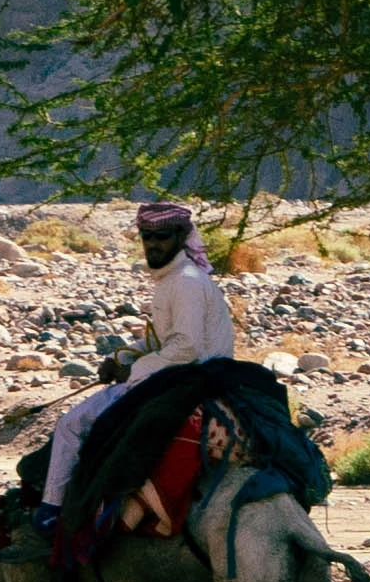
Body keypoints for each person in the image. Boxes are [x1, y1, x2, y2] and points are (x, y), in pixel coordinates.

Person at [39, 198, 234, 512]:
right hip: (178, 373)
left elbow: (186, 347)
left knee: (71, 425)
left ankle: (50, 512)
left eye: (162, 236)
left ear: (182, 237)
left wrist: (132, 372)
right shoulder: (172, 279)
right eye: (147, 237)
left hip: (192, 379)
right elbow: (160, 340)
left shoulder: (186, 283)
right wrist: (122, 360)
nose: (153, 244)